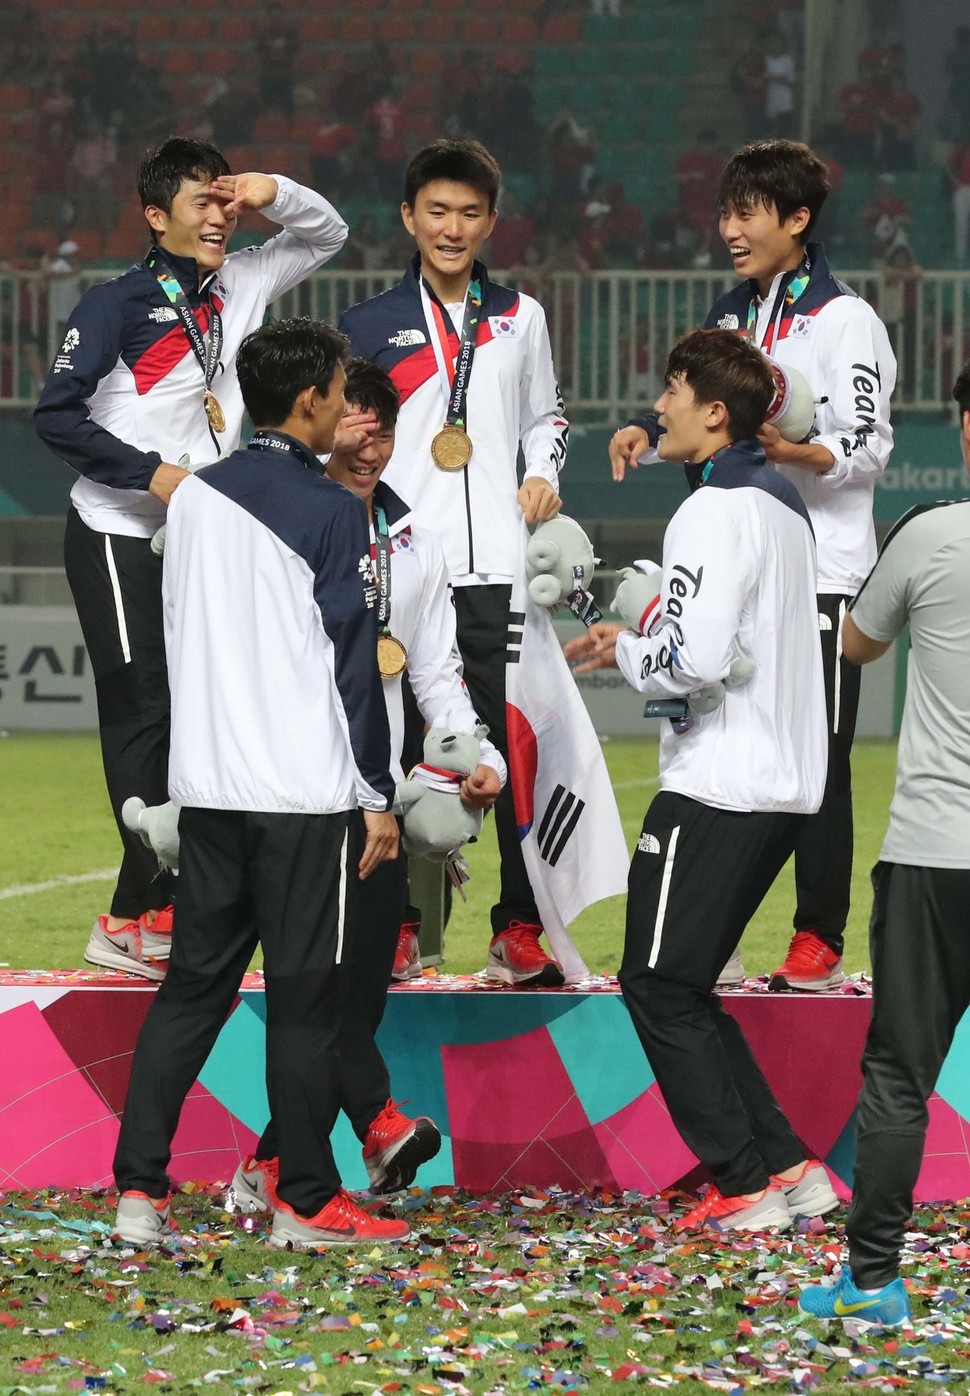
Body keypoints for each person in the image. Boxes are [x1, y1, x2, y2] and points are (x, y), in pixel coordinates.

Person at [112, 317, 410, 1252]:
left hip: (211, 790)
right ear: (314, 397)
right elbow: (354, 664)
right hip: (302, 796)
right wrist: (376, 792)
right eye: (338, 392)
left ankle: (138, 1197)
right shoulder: (332, 507)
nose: (344, 410)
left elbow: (175, 639)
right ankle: (309, 1202)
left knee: (192, 991)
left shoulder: (193, 499)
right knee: (305, 998)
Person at [34, 137, 348, 980]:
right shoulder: (113, 307)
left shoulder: (241, 282)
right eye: (200, 203)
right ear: (154, 215)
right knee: (141, 706)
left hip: (199, 540)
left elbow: (327, 235)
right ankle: (154, 905)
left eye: (223, 203)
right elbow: (55, 416)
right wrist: (151, 474)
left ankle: (138, 911)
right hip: (116, 529)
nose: (217, 217)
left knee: (185, 714)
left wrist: (268, 187)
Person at [567, 328, 838, 1232]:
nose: (663, 404)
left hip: (720, 782)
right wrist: (640, 641)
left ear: (715, 412)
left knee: (653, 983)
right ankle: (789, 1170)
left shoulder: (712, 511)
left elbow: (696, 658)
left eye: (674, 389)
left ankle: (743, 1184)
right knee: (682, 984)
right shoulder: (781, 505)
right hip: (783, 783)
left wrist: (634, 650)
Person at [610, 139, 896, 991]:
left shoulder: (845, 318)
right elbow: (715, 415)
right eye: (725, 211)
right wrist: (649, 435)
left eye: (749, 213)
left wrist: (797, 451)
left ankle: (819, 935)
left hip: (824, 572)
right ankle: (716, 923)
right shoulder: (732, 315)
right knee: (716, 735)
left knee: (820, 754)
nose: (730, 228)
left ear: (798, 219)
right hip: (748, 571)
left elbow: (867, 445)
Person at [339, 138, 624, 988]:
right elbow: (354, 442)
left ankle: (518, 928)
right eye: (437, 211)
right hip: (407, 570)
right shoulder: (366, 325)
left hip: (500, 568)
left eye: (469, 213)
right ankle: (397, 923)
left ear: (491, 221)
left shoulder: (519, 317)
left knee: (509, 748)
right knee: (401, 745)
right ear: (408, 217)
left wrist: (541, 475)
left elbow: (548, 417)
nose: (452, 228)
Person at [231, 359, 506, 1215]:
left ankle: (272, 1161)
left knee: (356, 987)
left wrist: (472, 754)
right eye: (350, 422)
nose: (366, 442)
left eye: (382, 428)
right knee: (318, 984)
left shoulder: (414, 540)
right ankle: (375, 1121)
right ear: (316, 423)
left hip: (378, 796)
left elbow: (434, 668)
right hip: (300, 791)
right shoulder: (282, 528)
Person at [798, 367, 970, 1326]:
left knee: (902, 1075)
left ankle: (871, 1283)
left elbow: (855, 645)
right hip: (935, 849)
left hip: (938, 854)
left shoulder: (932, 535)